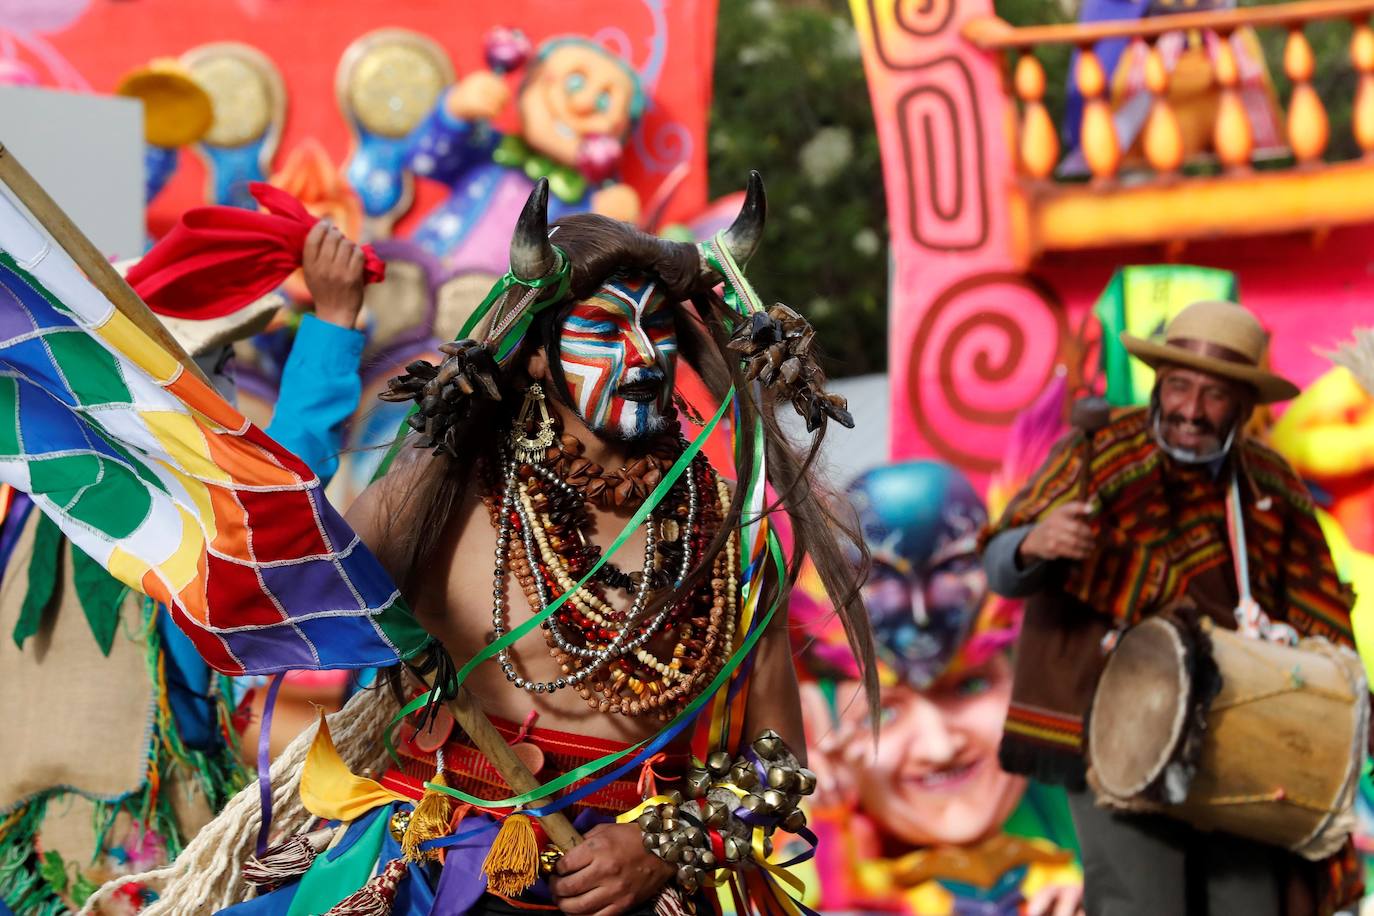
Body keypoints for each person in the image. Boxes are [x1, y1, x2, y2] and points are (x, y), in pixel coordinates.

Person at [106, 175, 872, 916]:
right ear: (538, 354)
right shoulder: (450, 496)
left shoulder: (729, 537)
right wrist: (394, 403)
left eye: (659, 328)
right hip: (438, 874)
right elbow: (293, 579)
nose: (643, 356)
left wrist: (663, 850)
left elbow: (778, 765)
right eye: (606, 330)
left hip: (637, 892)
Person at [0, 219, 371, 915]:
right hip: (137, 877)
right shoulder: (162, 529)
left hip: (29, 867)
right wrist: (334, 323)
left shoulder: (35, 498)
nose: (225, 391)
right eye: (214, 366)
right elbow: (274, 512)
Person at [979, 301, 1361, 915]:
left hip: (1242, 735)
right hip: (1115, 728)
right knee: (1142, 904)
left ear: (1244, 404)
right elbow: (1001, 565)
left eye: (1214, 395)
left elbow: (1320, 614)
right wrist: (1032, 543)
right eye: (1178, 385)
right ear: (1159, 384)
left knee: (1252, 906)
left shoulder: (1270, 483)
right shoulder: (1097, 453)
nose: (1189, 409)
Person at [793, 461, 1082, 916]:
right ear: (817, 730)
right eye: (883, 712)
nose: (940, 745)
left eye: (969, 686)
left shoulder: (1082, 871)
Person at [406, 34, 644, 273]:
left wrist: (609, 227)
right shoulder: (490, 150)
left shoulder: (587, 204)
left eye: (604, 103)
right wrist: (455, 113)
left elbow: (583, 273)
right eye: (574, 84)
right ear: (529, 85)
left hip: (510, 305)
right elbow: (423, 161)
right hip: (427, 270)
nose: (582, 104)